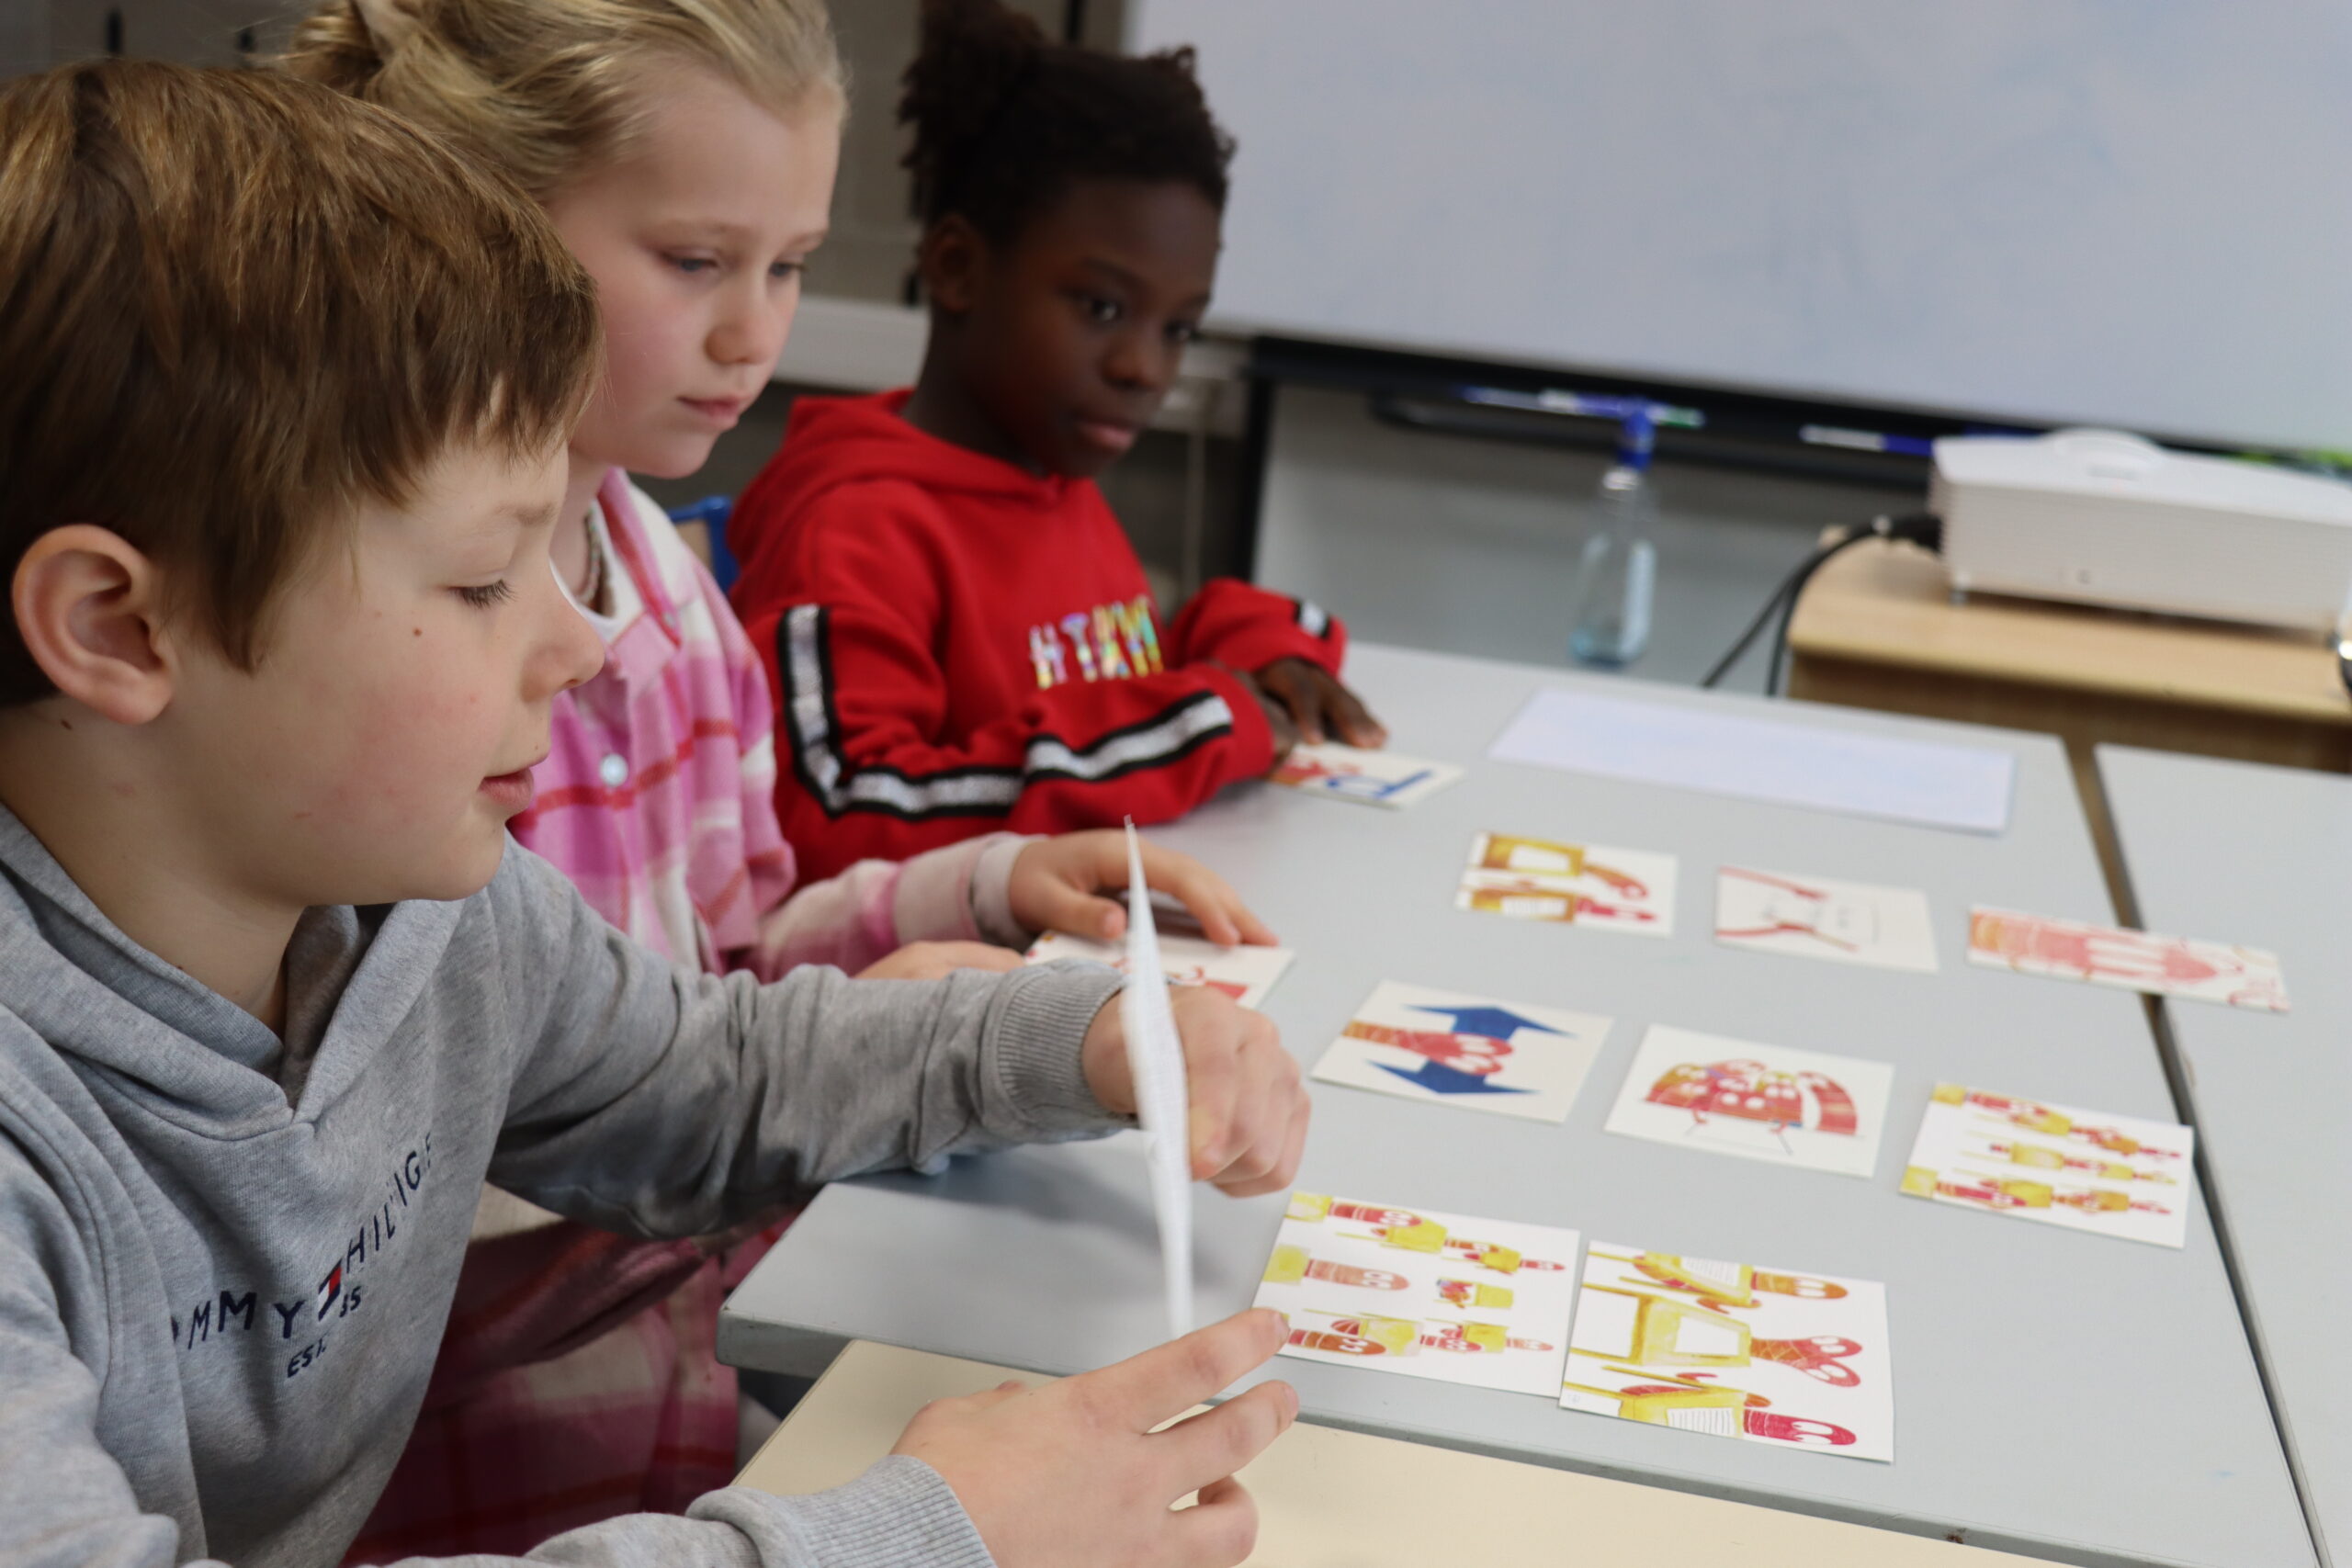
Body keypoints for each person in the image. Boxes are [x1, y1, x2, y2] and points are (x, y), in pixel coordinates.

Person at [0, 59, 1305, 1568]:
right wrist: (921, 1539)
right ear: (116, 628)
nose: (582, 641)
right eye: (486, 579)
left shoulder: (423, 913)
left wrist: (1083, 1035)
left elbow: (710, 1074)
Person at [724, 0, 1387, 883]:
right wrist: (1193, 730)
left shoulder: (1049, 476)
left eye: (1179, 327)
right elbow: (835, 812)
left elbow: (1111, 684)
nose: (1143, 367)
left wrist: (1251, 641)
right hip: (923, 1000)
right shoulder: (856, 529)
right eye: (1103, 308)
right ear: (958, 268)